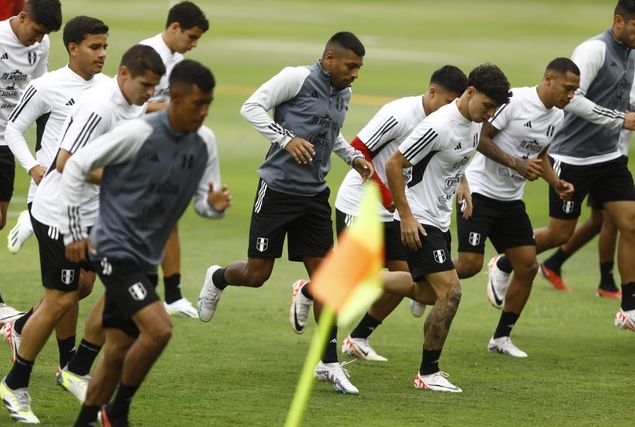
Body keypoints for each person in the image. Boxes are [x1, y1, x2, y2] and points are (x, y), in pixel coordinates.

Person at [197, 31, 373, 395]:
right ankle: (218, 278)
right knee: (257, 273)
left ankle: (328, 363)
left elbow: (331, 134)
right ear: (329, 59)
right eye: (350, 66)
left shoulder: (345, 93)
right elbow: (251, 107)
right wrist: (285, 137)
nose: (355, 74)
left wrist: (352, 158)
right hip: (276, 190)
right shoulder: (295, 77)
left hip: (314, 197)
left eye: (359, 67)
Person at [0, 44, 165, 424]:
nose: (150, 93)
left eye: (155, 87)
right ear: (125, 76)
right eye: (146, 85)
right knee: (60, 301)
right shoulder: (100, 108)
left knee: (120, 285)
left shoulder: (134, 102)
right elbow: (66, 164)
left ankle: (76, 365)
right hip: (59, 214)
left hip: (96, 216)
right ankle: (15, 381)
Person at [63, 59, 229, 427]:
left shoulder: (205, 142)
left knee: (119, 350)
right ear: (176, 99)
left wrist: (213, 206)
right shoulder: (138, 133)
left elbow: (205, 203)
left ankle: (86, 420)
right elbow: (75, 167)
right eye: (197, 104)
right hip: (112, 248)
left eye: (209, 104)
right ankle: (116, 413)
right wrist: (74, 233)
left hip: (144, 259)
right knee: (160, 328)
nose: (204, 112)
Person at [489, 0, 635, 332]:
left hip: (608, 157)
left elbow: (626, 99)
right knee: (560, 233)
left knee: (631, 222)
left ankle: (629, 307)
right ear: (618, 22)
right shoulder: (594, 50)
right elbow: (575, 99)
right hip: (571, 157)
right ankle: (505, 260)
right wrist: (620, 120)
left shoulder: (631, 53)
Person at [0, 14, 110, 397]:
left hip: (88, 202)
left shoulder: (110, 89)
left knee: (82, 286)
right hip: (50, 196)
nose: (102, 54)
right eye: (95, 47)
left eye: (105, 47)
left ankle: (24, 326)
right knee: (70, 287)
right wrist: (32, 166)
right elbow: (12, 127)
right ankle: (67, 363)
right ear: (73, 48)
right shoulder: (46, 86)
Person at [384, 64, 511, 392]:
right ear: (470, 92)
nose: (490, 114)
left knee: (427, 293)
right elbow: (394, 164)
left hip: (439, 218)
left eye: (495, 109)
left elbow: (453, 158)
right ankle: (428, 373)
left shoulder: (472, 121)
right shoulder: (439, 125)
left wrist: (462, 184)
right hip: (420, 219)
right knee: (451, 293)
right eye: (487, 105)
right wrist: (407, 216)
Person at [328, 65, 468, 362]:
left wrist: (462, 183)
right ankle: (309, 291)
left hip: (396, 208)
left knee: (404, 278)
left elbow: (449, 158)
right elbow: (357, 149)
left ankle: (359, 337)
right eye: (447, 102)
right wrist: (389, 198)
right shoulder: (401, 114)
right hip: (361, 203)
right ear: (432, 92)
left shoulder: (445, 122)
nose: (451, 109)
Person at [453, 58, 579, 358]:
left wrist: (555, 183)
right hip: (480, 193)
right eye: (567, 88)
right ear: (549, 78)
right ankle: (423, 278)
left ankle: (501, 338)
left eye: (575, 91)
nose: (570, 95)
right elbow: (480, 140)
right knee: (469, 265)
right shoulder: (515, 101)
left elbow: (541, 154)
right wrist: (515, 163)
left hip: (510, 201)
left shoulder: (557, 117)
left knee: (527, 266)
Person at [140, 0, 209, 318]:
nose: (193, 45)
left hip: (165, 148)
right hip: (139, 149)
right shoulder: (146, 54)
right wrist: (174, 111)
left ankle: (173, 294)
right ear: (174, 28)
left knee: (169, 219)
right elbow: (131, 103)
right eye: (191, 37)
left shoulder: (178, 60)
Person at [0, 0, 62, 326]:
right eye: (36, 31)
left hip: (8, 140)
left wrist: (41, 155)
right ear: (21, 17)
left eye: (44, 35)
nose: (38, 40)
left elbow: (42, 94)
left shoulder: (42, 44)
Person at [539, 84, 635, 297]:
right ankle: (606, 282)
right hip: (590, 156)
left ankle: (556, 264)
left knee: (603, 221)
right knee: (601, 222)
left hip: (610, 158)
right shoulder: (618, 69)